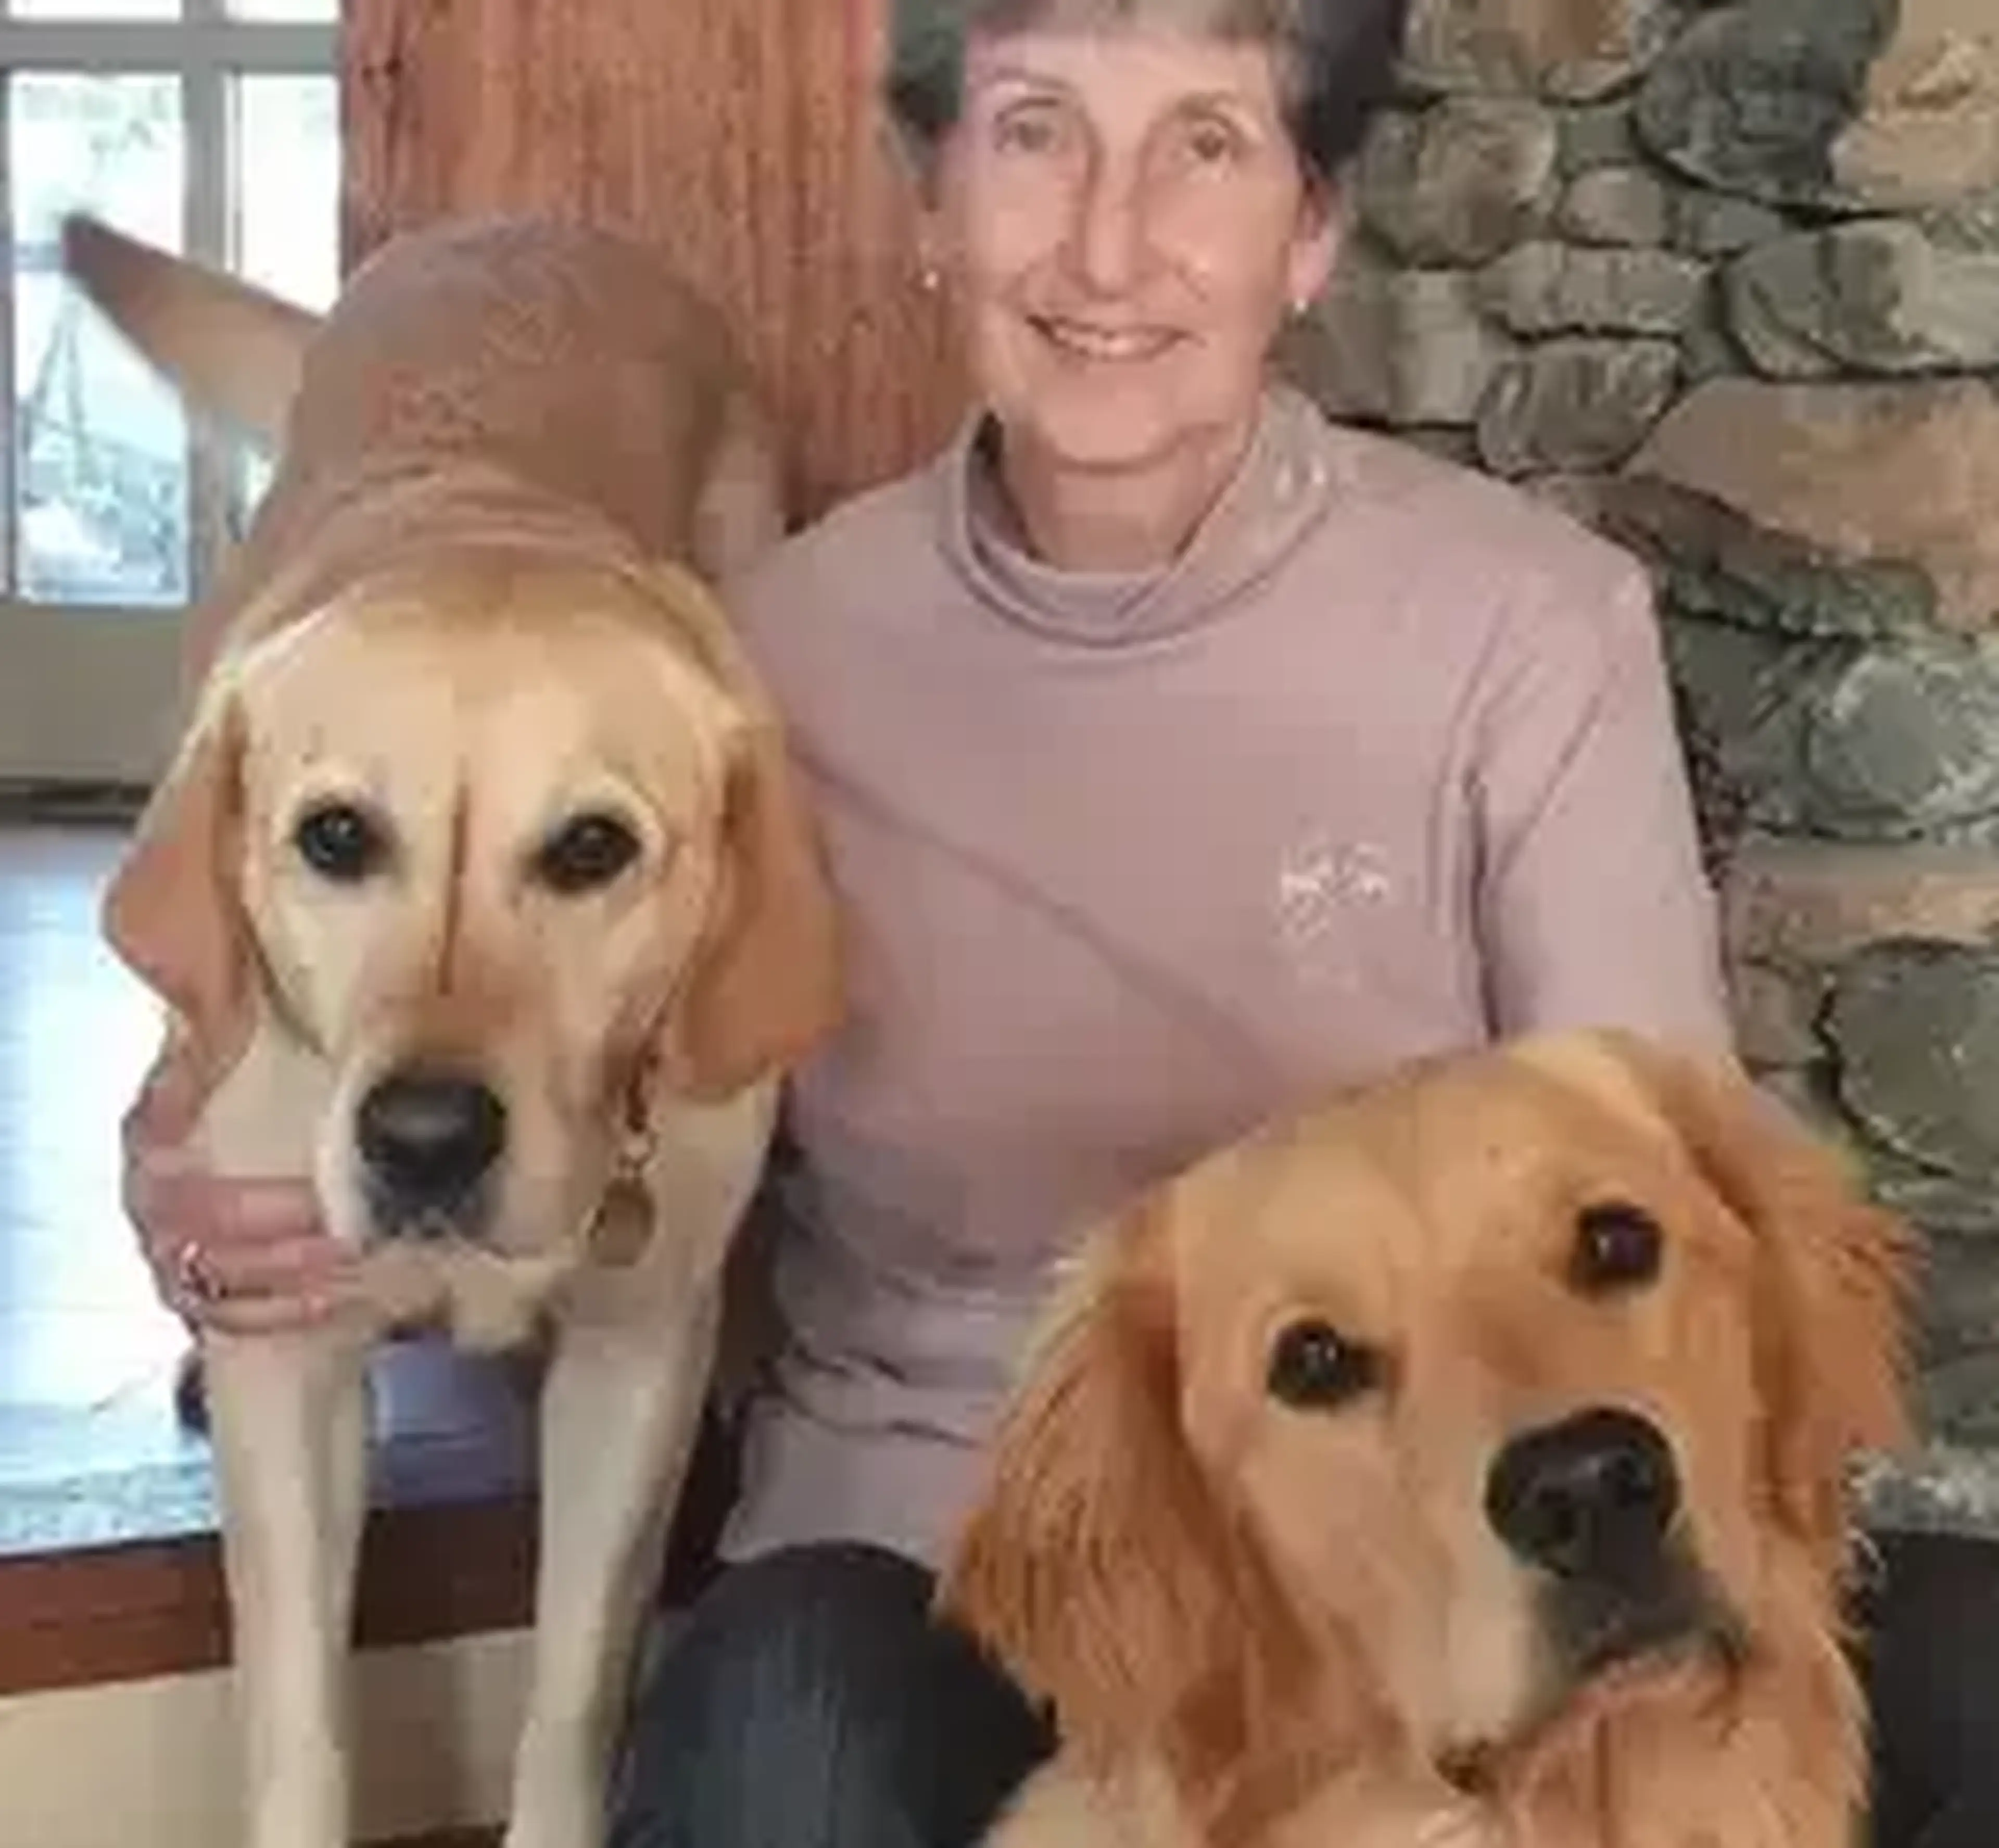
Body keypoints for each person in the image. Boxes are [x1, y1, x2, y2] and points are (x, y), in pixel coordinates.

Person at [118, 2, 1999, 1844]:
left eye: (1206, 144)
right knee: (786, 1725)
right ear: (932, 198)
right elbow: (550, 1090)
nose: (1110, 244)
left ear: (1312, 229)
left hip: (1415, 1570)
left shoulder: (1534, 630)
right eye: (1034, 134)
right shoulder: (752, 673)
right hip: (930, 1567)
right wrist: (191, 1157)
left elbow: (1673, 1208)